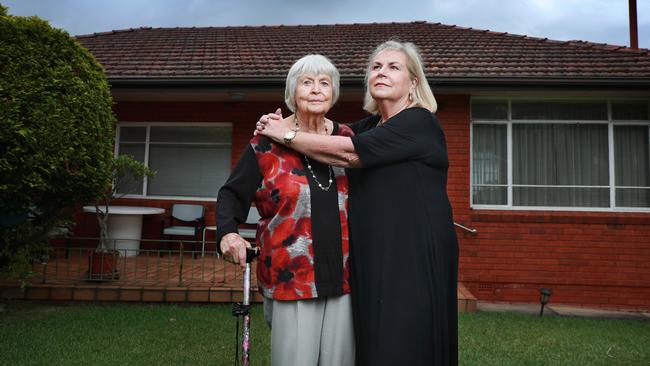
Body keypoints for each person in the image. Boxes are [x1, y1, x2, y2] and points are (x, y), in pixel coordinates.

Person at [256, 40, 459, 365]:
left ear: (414, 82)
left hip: (411, 255)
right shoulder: (367, 127)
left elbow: (348, 153)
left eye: (394, 67)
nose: (382, 72)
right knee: (371, 342)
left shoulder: (419, 122)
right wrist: (285, 122)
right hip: (373, 254)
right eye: (376, 67)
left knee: (404, 341)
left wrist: (285, 135)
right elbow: (326, 133)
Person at [216, 54, 355, 366]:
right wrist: (228, 235)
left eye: (324, 83)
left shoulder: (347, 138)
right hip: (291, 276)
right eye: (307, 83)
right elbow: (231, 194)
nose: (316, 90)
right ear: (293, 92)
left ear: (334, 93)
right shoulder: (266, 143)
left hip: (346, 274)